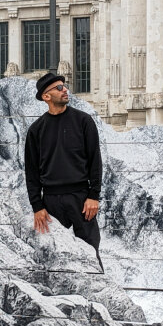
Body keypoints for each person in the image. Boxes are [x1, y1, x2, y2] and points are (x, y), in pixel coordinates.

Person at [24, 72, 104, 272]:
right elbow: (31, 172)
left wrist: (93, 195)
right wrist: (37, 206)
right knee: (53, 256)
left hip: (81, 199)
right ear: (46, 96)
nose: (65, 90)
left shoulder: (84, 121)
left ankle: (96, 297)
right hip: (50, 202)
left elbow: (95, 160)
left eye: (64, 86)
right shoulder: (36, 130)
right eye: (59, 88)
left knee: (90, 252)